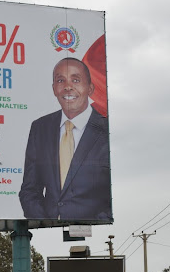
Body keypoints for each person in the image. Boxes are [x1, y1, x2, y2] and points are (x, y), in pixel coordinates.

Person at [19, 57, 112, 221]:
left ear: (90, 88)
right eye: (61, 80)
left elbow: (110, 191)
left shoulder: (105, 130)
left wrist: (95, 221)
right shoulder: (40, 128)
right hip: (48, 230)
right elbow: (29, 190)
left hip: (93, 230)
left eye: (76, 80)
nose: (68, 87)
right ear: (54, 88)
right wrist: (46, 222)